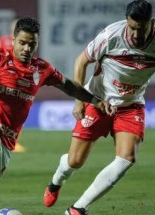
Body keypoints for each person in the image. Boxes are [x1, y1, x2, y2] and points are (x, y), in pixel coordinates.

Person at [0, 17, 115, 215]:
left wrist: (95, 100)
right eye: (22, 43)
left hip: (5, 145)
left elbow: (68, 86)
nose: (26, 48)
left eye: (32, 44)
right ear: (13, 41)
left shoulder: (42, 69)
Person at [43, 1, 155, 214]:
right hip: (98, 101)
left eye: (142, 28)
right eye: (132, 27)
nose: (136, 34)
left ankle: (78, 208)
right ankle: (56, 181)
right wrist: (79, 99)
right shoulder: (111, 36)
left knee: (127, 158)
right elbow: (81, 61)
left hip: (131, 106)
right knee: (75, 161)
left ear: (151, 23)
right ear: (127, 22)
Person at [0, 15, 26, 153]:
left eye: (17, 26)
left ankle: (14, 142)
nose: (15, 28)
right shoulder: (2, 40)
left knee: (18, 113)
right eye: (14, 26)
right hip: (3, 81)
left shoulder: (24, 42)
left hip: (19, 82)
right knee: (0, 112)